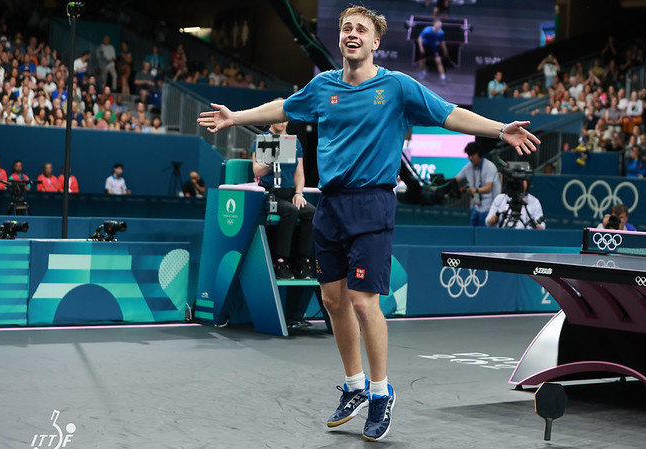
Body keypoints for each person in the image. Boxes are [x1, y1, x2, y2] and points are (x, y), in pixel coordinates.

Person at [196, 5, 539, 442]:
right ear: (340, 40)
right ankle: (355, 386)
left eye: (361, 29)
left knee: (362, 302)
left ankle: (380, 394)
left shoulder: (397, 87)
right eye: (346, 28)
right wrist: (235, 117)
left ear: (376, 42)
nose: (352, 34)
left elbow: (449, 113)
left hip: (373, 203)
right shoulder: (323, 87)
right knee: (333, 300)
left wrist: (498, 129)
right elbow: (284, 106)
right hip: (331, 205)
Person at [251, 119, 316, 282]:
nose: (281, 122)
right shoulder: (263, 139)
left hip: (290, 193)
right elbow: (257, 170)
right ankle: (280, 261)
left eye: (284, 119)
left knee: (311, 212)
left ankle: (302, 261)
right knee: (290, 210)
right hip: (269, 194)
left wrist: (299, 193)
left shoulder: (294, 143)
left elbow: (299, 173)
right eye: (277, 118)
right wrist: (269, 162)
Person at [454, 142, 501, 227]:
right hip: (476, 205)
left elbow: (488, 188)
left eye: (472, 155)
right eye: (469, 155)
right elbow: (456, 179)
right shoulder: (468, 167)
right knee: (471, 232)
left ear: (479, 154)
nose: (470, 158)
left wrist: (474, 190)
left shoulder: (490, 167)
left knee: (486, 233)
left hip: (490, 206)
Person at [417, 19, 448, 83]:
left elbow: (442, 43)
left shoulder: (441, 33)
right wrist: (421, 47)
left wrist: (445, 51)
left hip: (433, 48)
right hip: (425, 47)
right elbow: (420, 38)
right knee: (422, 61)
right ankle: (423, 72)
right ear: (434, 25)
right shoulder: (427, 30)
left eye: (440, 26)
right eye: (438, 26)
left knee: (438, 61)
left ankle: (443, 77)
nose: (439, 27)